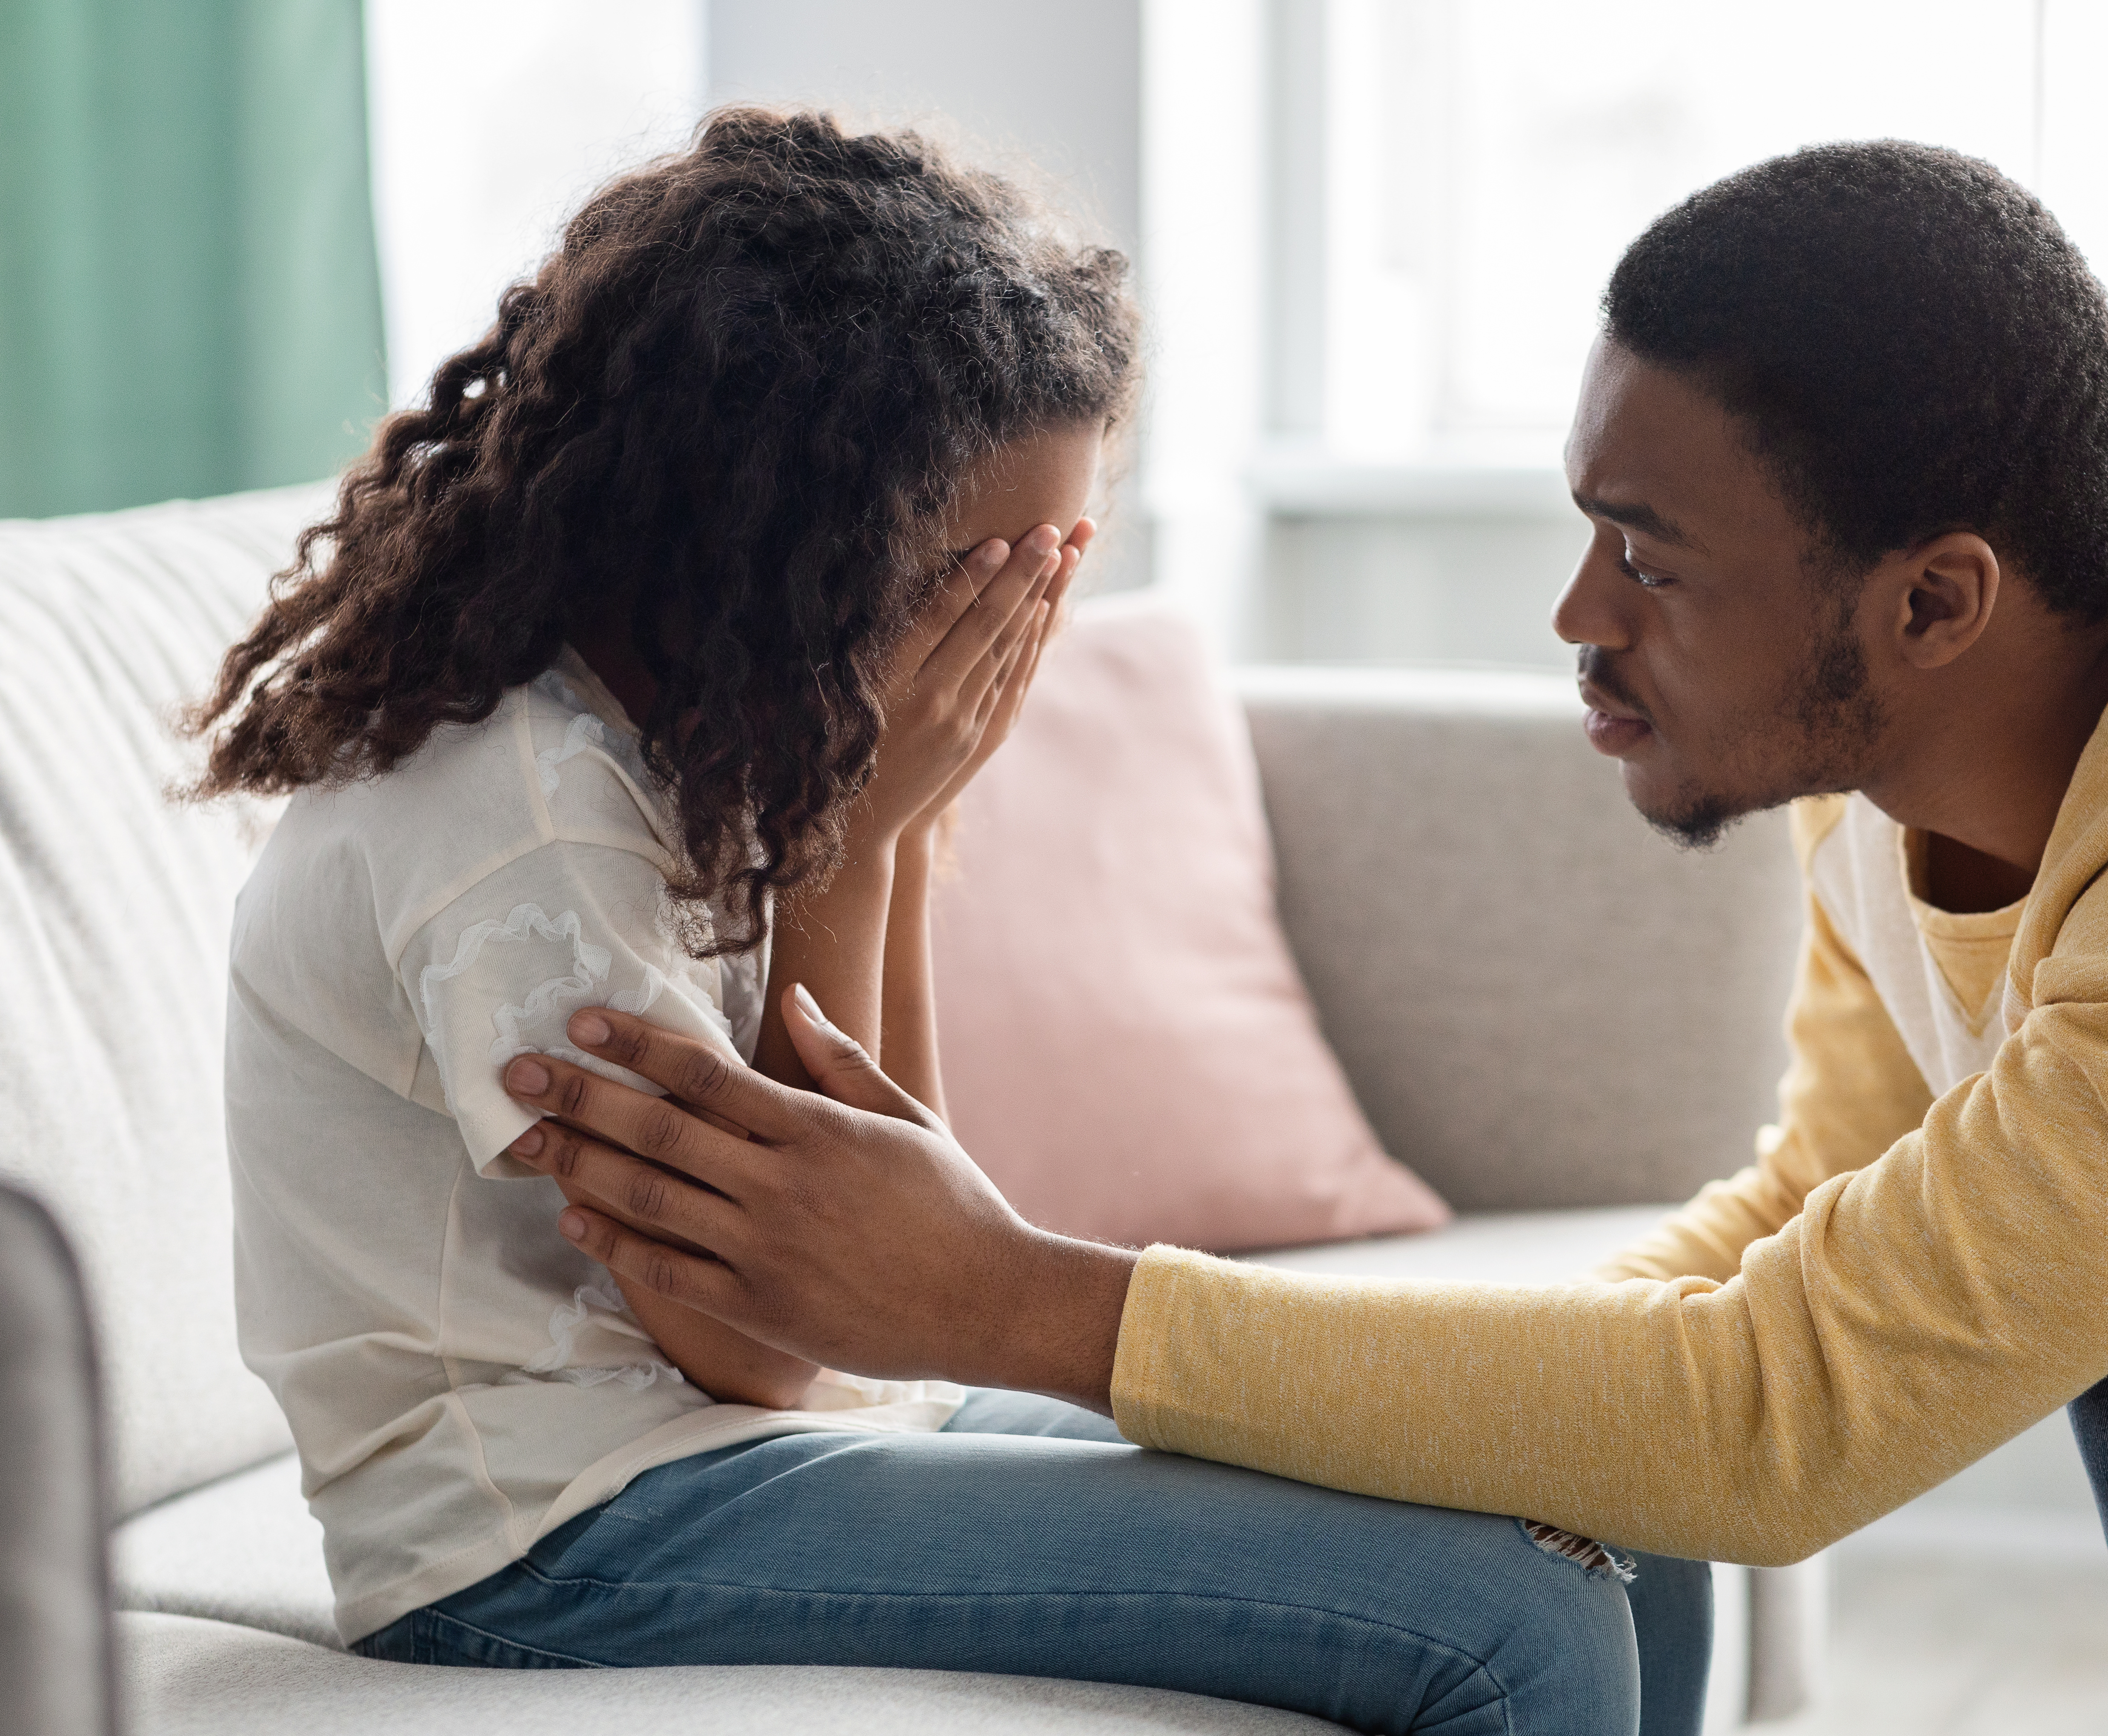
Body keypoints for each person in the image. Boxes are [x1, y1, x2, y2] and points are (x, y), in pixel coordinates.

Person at [509, 140, 2108, 1736]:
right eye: (1588, 526)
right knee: (1594, 1451)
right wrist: (1497, 1416)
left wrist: (1022, 1302)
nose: (1579, 624)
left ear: (1933, 603)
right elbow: (1806, 1227)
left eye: (1651, 559)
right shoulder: (1921, 756)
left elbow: (1794, 1422)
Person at [194, 107, 1712, 1733]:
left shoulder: (687, 739)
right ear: (775, 530)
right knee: (1517, 1615)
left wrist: (889, 821)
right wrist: (855, 831)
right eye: (972, 579)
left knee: (1621, 1508)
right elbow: (764, 1340)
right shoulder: (520, 809)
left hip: (784, 1435)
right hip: (546, 1542)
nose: (1003, 634)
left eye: (1046, 575)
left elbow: (881, 1216)